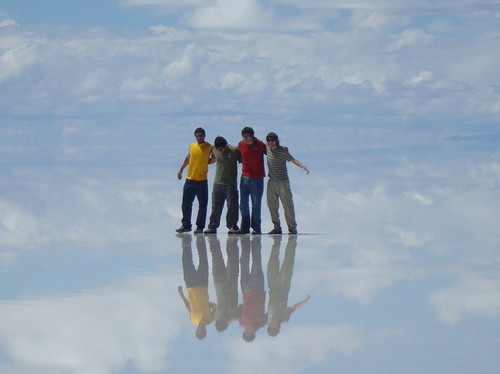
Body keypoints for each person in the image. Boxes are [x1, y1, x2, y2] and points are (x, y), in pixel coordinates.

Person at [265, 132, 309, 235]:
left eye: (273, 140)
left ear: (277, 140)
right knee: (272, 206)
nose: (271, 142)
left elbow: (293, 160)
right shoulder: (266, 147)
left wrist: (303, 167)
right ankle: (277, 228)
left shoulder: (282, 151)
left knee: (288, 206)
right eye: (269, 140)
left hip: (283, 182)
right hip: (271, 181)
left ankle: (292, 228)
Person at [266, 235, 310, 337]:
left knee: (272, 262)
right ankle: (292, 241)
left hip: (272, 286)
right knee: (288, 262)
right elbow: (294, 307)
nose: (274, 325)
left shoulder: (267, 319)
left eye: (272, 327)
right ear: (278, 327)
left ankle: (276, 241)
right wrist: (304, 301)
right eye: (275, 328)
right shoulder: (284, 317)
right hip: (283, 286)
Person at [177, 234, 216, 339]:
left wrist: (181, 294)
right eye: (202, 332)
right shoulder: (210, 319)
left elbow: (188, 307)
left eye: (199, 332)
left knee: (186, 262)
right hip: (203, 286)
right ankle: (200, 241)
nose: (201, 330)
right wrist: (206, 304)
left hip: (191, 286)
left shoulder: (193, 320)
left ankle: (186, 242)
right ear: (205, 331)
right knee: (203, 261)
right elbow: (215, 306)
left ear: (196, 330)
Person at [176, 127, 214, 234]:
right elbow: (188, 158)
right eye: (198, 135)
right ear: (195, 136)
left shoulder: (209, 147)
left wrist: (207, 162)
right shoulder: (192, 146)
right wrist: (181, 170)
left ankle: (200, 227)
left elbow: (214, 158)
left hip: (201, 180)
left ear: (204, 136)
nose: (200, 137)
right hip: (190, 179)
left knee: (202, 204)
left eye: (201, 135)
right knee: (186, 204)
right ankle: (186, 225)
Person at [203, 136, 241, 234]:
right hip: (217, 183)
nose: (220, 150)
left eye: (222, 148)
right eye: (218, 148)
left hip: (230, 184)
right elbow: (212, 158)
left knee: (232, 205)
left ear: (226, 145)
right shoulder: (215, 150)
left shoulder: (234, 151)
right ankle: (212, 226)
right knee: (215, 206)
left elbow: (244, 155)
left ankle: (232, 226)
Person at [233, 127, 267, 235]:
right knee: (243, 204)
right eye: (244, 137)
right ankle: (244, 227)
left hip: (257, 179)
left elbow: (271, 149)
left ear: (253, 136)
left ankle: (256, 227)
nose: (246, 139)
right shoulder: (241, 144)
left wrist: (282, 148)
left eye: (248, 136)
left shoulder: (260, 145)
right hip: (244, 178)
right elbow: (233, 149)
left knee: (256, 204)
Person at [238, 236, 266, 342]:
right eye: (250, 333)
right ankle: (256, 240)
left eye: (246, 332)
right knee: (256, 262)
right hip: (258, 288)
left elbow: (237, 312)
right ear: (254, 333)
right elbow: (274, 316)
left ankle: (244, 242)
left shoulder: (241, 323)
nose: (248, 330)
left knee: (243, 263)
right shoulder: (261, 323)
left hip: (246, 290)